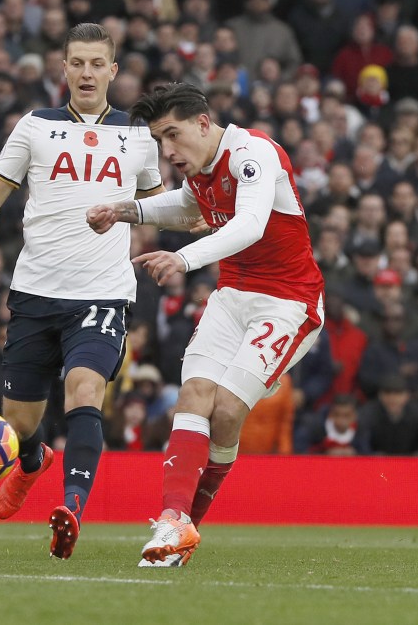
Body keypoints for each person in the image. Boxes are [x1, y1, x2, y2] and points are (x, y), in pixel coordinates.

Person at [86, 82, 325, 567]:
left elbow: (251, 223)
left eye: (172, 135)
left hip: (287, 302)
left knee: (228, 412)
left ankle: (185, 523)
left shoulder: (252, 153)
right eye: (159, 140)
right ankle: (173, 523)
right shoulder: (200, 170)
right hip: (233, 294)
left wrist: (184, 258)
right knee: (194, 394)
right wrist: (125, 210)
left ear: (202, 122)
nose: (167, 150)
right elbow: (186, 206)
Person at [0, 23, 166, 560]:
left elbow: (158, 204)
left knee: (85, 388)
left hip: (102, 293)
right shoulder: (34, 126)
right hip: (35, 292)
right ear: (63, 69)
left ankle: (71, 510)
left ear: (113, 70)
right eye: (76, 62)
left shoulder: (138, 134)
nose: (85, 72)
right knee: (19, 422)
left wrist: (196, 227)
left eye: (95, 63)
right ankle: (33, 461)